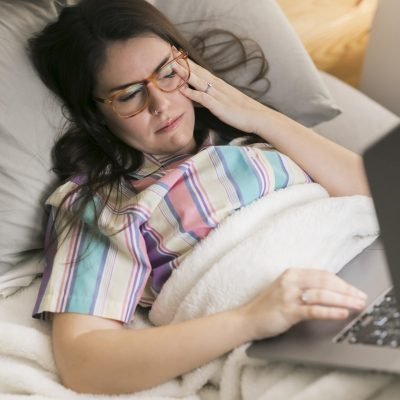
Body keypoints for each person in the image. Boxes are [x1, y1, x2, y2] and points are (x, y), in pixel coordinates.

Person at [29, 0, 371, 395]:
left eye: (167, 73)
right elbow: (84, 362)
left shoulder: (250, 139)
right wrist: (251, 319)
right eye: (129, 96)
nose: (161, 104)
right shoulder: (103, 203)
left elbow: (376, 193)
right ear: (94, 113)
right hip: (304, 337)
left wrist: (252, 113)